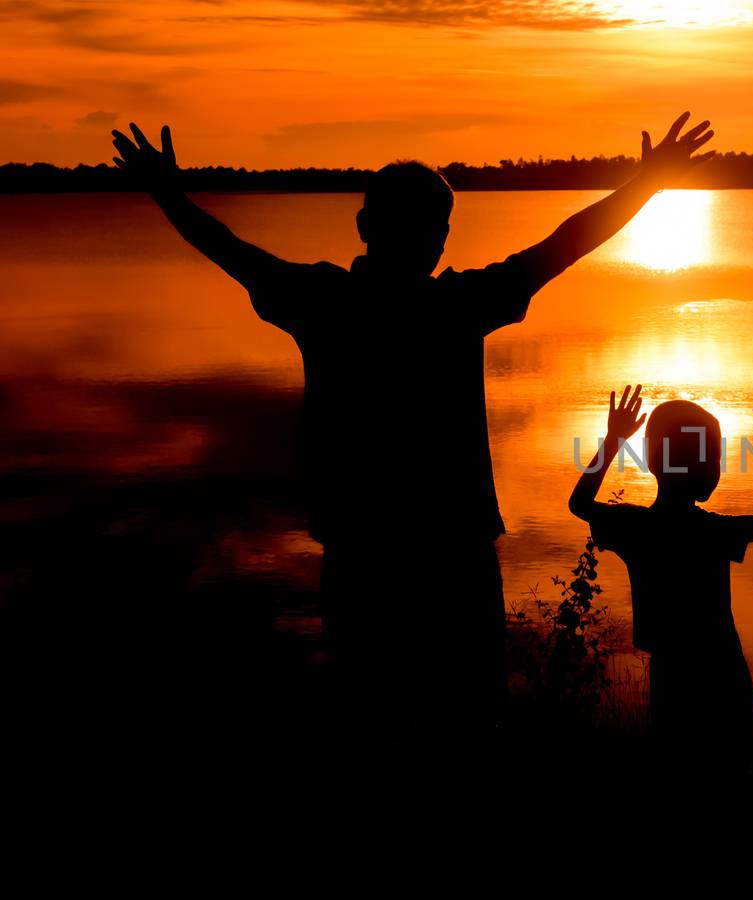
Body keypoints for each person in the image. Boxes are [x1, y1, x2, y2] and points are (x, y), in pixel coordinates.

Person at [109, 113, 716, 731]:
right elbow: (564, 245)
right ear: (437, 238)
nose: (439, 241)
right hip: (453, 562)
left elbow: (229, 251)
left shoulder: (324, 302)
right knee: (464, 718)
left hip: (361, 558)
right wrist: (645, 185)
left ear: (366, 226)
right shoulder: (454, 305)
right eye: (439, 228)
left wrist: (167, 195)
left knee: (370, 711)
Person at [568, 386, 753, 774]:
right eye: (712, 456)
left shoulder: (638, 528)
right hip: (722, 673)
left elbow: (578, 504)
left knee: (680, 768)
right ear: (705, 467)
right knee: (740, 768)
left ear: (653, 461)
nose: (716, 466)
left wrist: (614, 440)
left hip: (672, 675)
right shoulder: (712, 532)